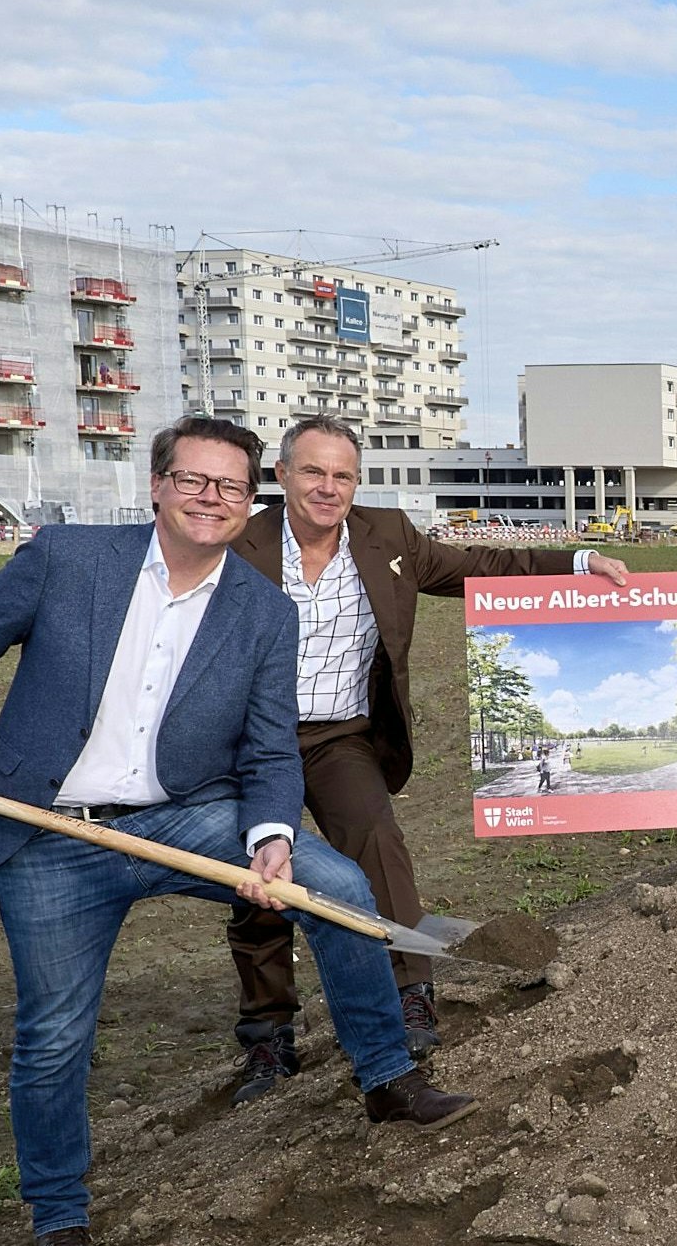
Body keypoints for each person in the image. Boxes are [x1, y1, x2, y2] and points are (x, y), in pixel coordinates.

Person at [0, 415, 476, 1246]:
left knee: (338, 885)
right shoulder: (69, 559)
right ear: (157, 485)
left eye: (228, 487)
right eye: (193, 481)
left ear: (247, 497)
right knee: (55, 1036)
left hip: (182, 816)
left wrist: (271, 838)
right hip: (49, 832)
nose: (210, 500)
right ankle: (60, 1222)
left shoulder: (260, 608)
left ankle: (387, 1078)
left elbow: (266, 746)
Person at [222, 418, 627, 1097]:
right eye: (313, 472)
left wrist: (579, 563)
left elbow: (481, 566)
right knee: (256, 878)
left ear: (358, 481)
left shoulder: (389, 538)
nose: (328, 487)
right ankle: (268, 1037)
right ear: (283, 476)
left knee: (378, 843)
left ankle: (411, 991)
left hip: (339, 736)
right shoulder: (240, 542)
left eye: (343, 475)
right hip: (246, 738)